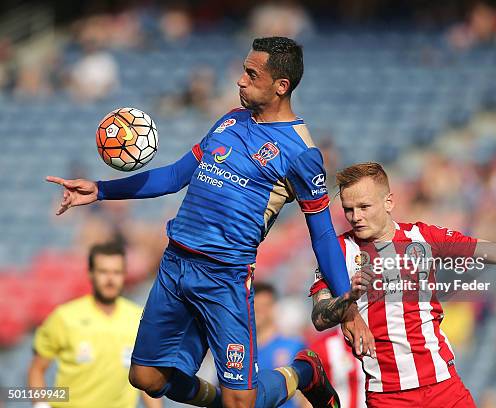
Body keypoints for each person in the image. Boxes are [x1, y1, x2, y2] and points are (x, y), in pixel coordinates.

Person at [46, 36, 372, 408]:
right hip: (175, 267)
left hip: (224, 277)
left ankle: (303, 372)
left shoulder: (301, 153)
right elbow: (174, 176)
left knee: (241, 402)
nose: (240, 80)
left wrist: (348, 309)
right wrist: (101, 190)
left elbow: (324, 235)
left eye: (252, 74)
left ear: (281, 86)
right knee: (147, 378)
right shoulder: (230, 120)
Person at [308, 162, 496, 407]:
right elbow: (319, 315)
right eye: (348, 209)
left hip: (443, 387)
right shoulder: (338, 253)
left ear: (389, 202)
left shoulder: (423, 238)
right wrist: (348, 300)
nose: (355, 216)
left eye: (364, 206)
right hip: (389, 394)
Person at [28, 242, 162, 408]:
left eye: (117, 272)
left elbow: (146, 377)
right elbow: (37, 369)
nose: (110, 279)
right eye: (103, 272)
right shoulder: (65, 317)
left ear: (124, 275)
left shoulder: (139, 319)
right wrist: (40, 404)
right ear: (91, 274)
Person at [253, 282, 306, 408]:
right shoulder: (238, 351)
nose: (259, 311)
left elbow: (306, 397)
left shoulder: (293, 346)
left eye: (264, 306)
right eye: (255, 306)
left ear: (274, 308)